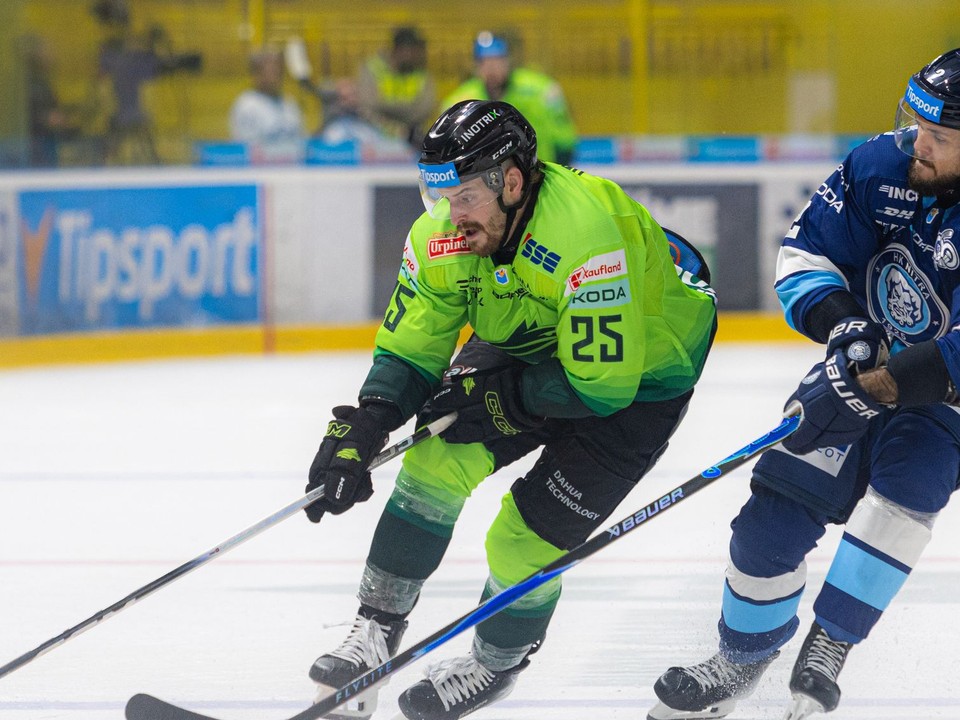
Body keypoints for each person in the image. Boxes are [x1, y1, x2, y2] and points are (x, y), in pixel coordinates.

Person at [303, 99, 717, 720]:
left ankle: (496, 665)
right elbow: (414, 345)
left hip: (644, 376)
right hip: (533, 332)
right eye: (436, 193)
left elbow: (602, 386)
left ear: (513, 182)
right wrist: (367, 419)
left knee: (523, 540)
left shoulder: (585, 237)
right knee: (434, 458)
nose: (448, 214)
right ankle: (374, 634)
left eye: (463, 195)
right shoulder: (447, 232)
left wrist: (500, 402)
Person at [648, 48, 960, 720]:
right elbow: (807, 255)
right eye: (919, 126)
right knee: (773, 515)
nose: (919, 146)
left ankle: (829, 645)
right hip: (862, 364)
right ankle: (740, 658)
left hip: (945, 405)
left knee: (904, 500)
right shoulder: (881, 165)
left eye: (940, 138)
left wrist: (880, 382)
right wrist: (844, 326)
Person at [441, 31, 577, 165]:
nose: (492, 69)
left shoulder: (540, 89)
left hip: (539, 172)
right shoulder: (460, 102)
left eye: (497, 61)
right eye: (485, 62)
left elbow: (564, 138)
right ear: (476, 66)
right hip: (489, 180)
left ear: (508, 61)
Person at [353, 26, 437, 148]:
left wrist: (385, 107)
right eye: (415, 50)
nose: (419, 54)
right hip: (374, 135)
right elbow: (366, 104)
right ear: (401, 50)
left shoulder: (422, 73)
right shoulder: (372, 68)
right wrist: (405, 112)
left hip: (412, 137)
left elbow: (426, 107)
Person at [229, 48, 304, 152]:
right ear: (256, 73)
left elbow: (301, 144)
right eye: (271, 69)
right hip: (261, 167)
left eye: (279, 67)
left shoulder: (290, 103)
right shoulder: (246, 105)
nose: (277, 73)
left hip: (292, 166)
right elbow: (248, 149)